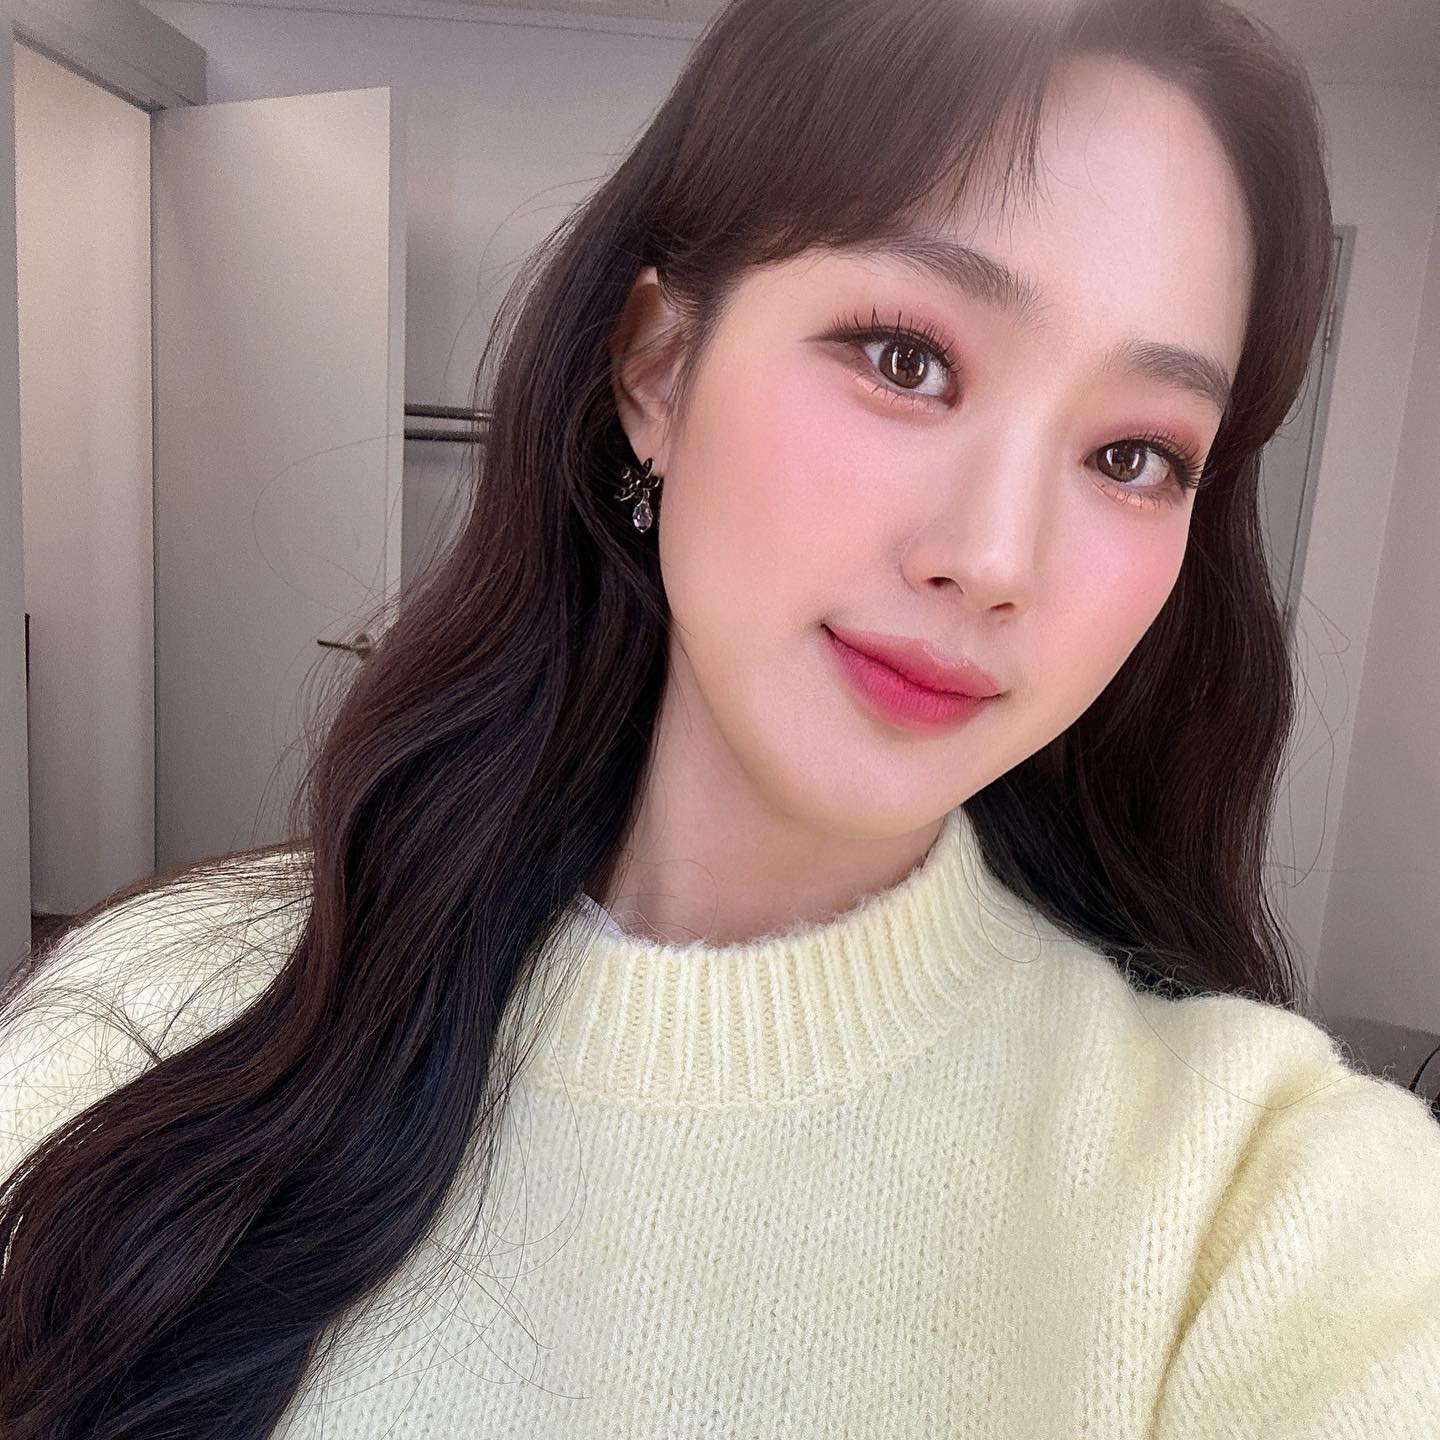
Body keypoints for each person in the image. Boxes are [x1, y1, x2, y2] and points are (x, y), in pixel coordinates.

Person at [2, 0, 1437, 1433]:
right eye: (906, 359)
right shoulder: (153, 1016)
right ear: (660, 365)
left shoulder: (1266, 1206)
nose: (996, 559)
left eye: (1133, 456)